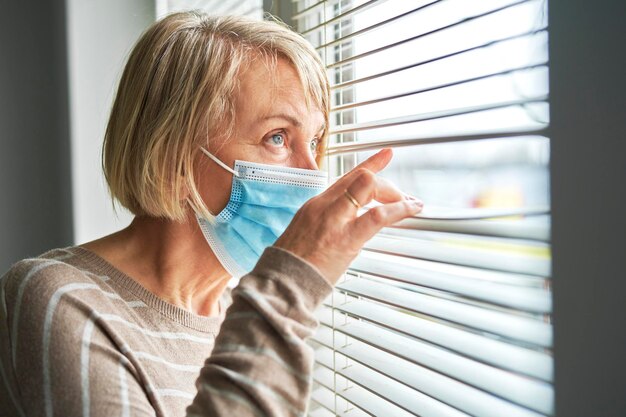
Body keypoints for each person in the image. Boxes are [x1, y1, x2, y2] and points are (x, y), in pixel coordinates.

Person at [0, 11, 422, 417]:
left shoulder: (236, 315)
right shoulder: (57, 299)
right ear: (173, 155)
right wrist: (294, 278)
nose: (313, 175)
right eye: (277, 137)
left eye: (313, 142)